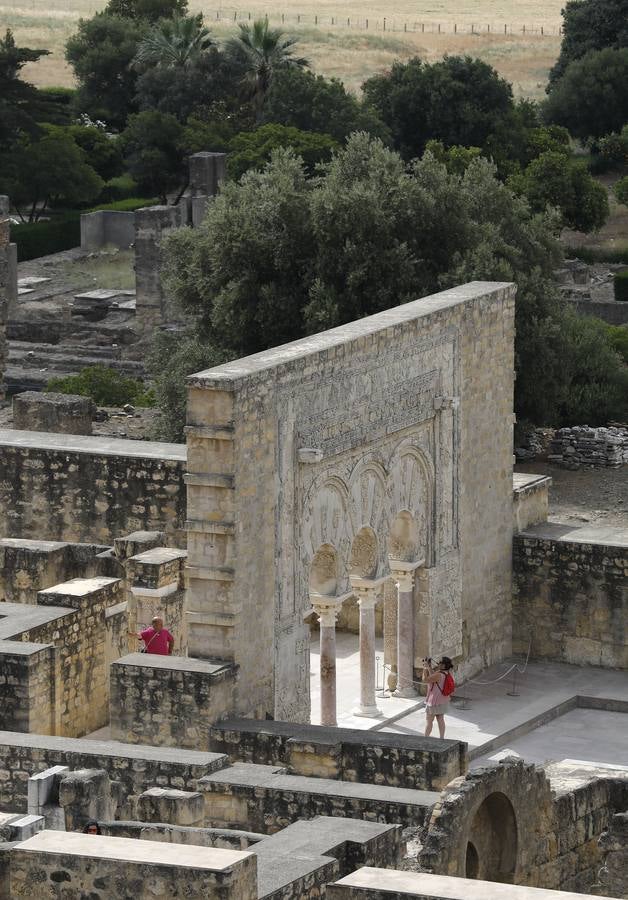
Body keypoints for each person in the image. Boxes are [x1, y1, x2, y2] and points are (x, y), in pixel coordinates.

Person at [422, 656, 454, 739]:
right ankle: (441, 738)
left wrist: (425, 668)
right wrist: (429, 667)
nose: (437, 663)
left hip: (434, 701)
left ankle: (425, 739)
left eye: (439, 662)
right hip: (443, 700)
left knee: (429, 721)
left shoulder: (439, 674)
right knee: (440, 719)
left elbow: (426, 680)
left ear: (443, 665)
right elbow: (434, 676)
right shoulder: (445, 673)